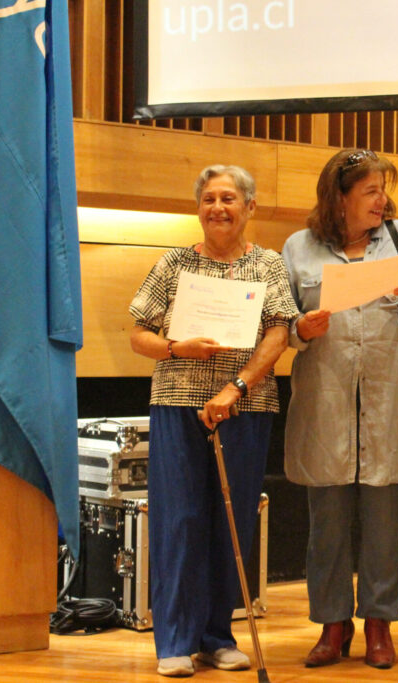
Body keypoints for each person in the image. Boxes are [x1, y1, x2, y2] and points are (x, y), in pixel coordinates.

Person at [129, 165, 297, 678]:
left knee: (233, 519)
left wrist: (237, 385)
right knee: (179, 519)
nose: (217, 207)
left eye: (228, 198)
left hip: (245, 406)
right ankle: (175, 640)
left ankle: (216, 636)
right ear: (198, 208)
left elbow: (279, 334)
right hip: (178, 402)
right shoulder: (174, 263)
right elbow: (137, 333)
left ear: (249, 207)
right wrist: (177, 346)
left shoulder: (267, 264)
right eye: (208, 199)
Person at [281, 148, 398, 670]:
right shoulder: (299, 247)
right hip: (325, 402)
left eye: (383, 190)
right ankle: (331, 624)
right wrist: (302, 329)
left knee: (386, 520)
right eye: (371, 191)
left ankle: (378, 625)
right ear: (339, 197)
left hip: (388, 400)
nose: (382, 200)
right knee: (327, 523)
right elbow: (282, 324)